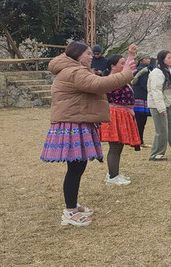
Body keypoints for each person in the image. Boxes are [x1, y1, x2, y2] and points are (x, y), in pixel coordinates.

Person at [41, 41, 136, 226]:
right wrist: (126, 74)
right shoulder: (74, 72)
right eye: (88, 53)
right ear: (77, 55)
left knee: (78, 166)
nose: (91, 56)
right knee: (75, 168)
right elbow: (98, 84)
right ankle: (69, 212)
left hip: (77, 120)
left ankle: (72, 205)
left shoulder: (73, 69)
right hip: (72, 122)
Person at [99, 50, 142, 186]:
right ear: (113, 66)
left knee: (118, 147)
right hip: (115, 114)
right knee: (115, 147)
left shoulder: (118, 78)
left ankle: (113, 173)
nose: (125, 66)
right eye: (121, 64)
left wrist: (131, 57)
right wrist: (130, 57)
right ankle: (113, 176)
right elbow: (128, 73)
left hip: (121, 113)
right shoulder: (114, 79)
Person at [131, 52, 152, 151]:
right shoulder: (145, 70)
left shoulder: (136, 70)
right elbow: (145, 84)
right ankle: (138, 141)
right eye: (147, 58)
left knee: (137, 121)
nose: (149, 60)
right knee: (141, 121)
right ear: (142, 60)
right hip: (142, 97)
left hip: (136, 96)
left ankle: (138, 140)